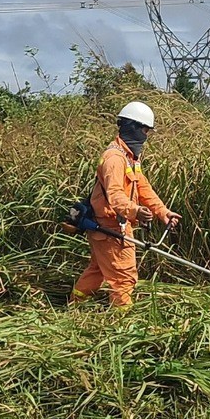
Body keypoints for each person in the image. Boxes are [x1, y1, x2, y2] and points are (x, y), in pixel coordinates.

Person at [71, 100, 180, 308]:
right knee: (124, 277)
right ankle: (121, 321)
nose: (147, 136)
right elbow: (115, 195)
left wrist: (162, 211)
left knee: (98, 269)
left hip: (114, 225)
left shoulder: (130, 158)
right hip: (109, 228)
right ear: (133, 127)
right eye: (146, 130)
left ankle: (75, 305)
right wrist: (135, 210)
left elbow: (142, 187)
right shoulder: (114, 159)